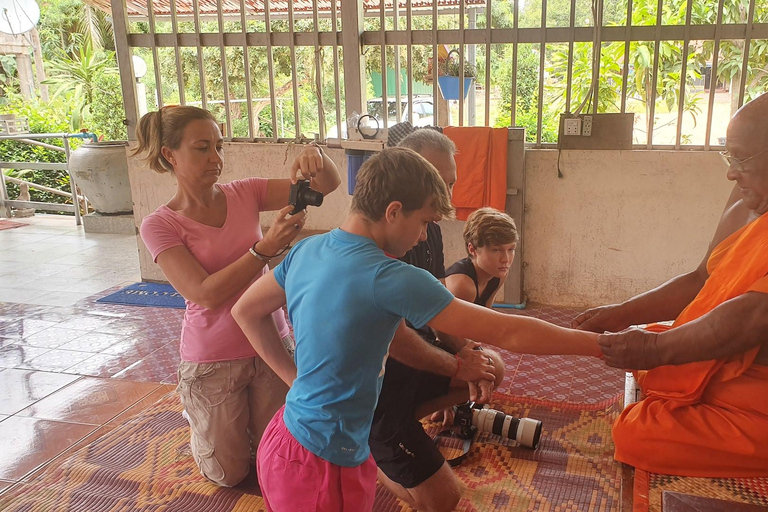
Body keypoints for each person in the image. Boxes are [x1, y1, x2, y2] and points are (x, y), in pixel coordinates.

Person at [232, 146, 602, 511]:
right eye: (424, 222)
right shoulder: (390, 276)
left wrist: (293, 378)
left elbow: (246, 310)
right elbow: (508, 332)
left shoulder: (307, 249)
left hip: (290, 439)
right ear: (393, 212)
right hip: (320, 464)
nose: (425, 236)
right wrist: (603, 345)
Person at [135, 105, 341, 487]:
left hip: (269, 344)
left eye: (218, 146)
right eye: (202, 148)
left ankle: (231, 425)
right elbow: (204, 294)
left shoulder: (245, 192)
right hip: (213, 358)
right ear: (170, 155)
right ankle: (200, 425)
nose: (216, 158)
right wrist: (264, 249)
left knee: (275, 453)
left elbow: (325, 186)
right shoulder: (160, 224)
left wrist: (316, 155)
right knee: (229, 474)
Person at [573, 94, 768, 477]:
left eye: (741, 160)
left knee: (637, 434)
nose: (731, 174)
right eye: (729, 159)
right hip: (731, 364)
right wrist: (618, 314)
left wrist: (656, 349)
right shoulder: (747, 199)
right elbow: (701, 280)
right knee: (653, 359)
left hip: (759, 388)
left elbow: (755, 315)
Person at [369, 131, 505, 512]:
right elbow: (399, 341)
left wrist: (464, 352)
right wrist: (458, 364)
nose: (446, 198)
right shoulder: (376, 251)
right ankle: (373, 447)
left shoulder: (424, 227)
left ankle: (402, 426)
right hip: (380, 382)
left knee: (491, 365)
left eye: (449, 184)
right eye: (437, 183)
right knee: (443, 499)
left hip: (411, 358)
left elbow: (436, 309)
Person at [446, 207, 518, 308]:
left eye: (511, 249)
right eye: (496, 250)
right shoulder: (462, 285)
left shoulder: (498, 273)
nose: (506, 259)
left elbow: (487, 315)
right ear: (472, 249)